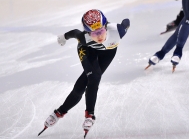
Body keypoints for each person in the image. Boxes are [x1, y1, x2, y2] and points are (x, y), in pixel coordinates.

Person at [38, 9, 130, 138]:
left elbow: (126, 23)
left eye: (101, 31)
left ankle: (60, 112)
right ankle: (90, 115)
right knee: (94, 77)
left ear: (106, 27)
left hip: (108, 52)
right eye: (93, 33)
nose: (98, 36)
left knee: (84, 82)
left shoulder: (117, 31)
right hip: (88, 50)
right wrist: (63, 37)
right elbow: (75, 33)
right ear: (87, 32)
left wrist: (126, 23)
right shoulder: (84, 38)